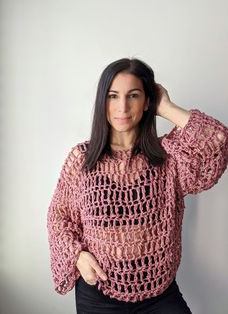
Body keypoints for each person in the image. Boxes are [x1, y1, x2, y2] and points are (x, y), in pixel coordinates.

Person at [47, 58, 228, 314]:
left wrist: (165, 106)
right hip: (98, 293)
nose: (122, 106)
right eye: (113, 96)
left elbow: (218, 141)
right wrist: (76, 255)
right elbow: (59, 217)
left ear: (146, 102)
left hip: (159, 293)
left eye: (133, 95)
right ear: (103, 102)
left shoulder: (169, 158)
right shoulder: (82, 159)